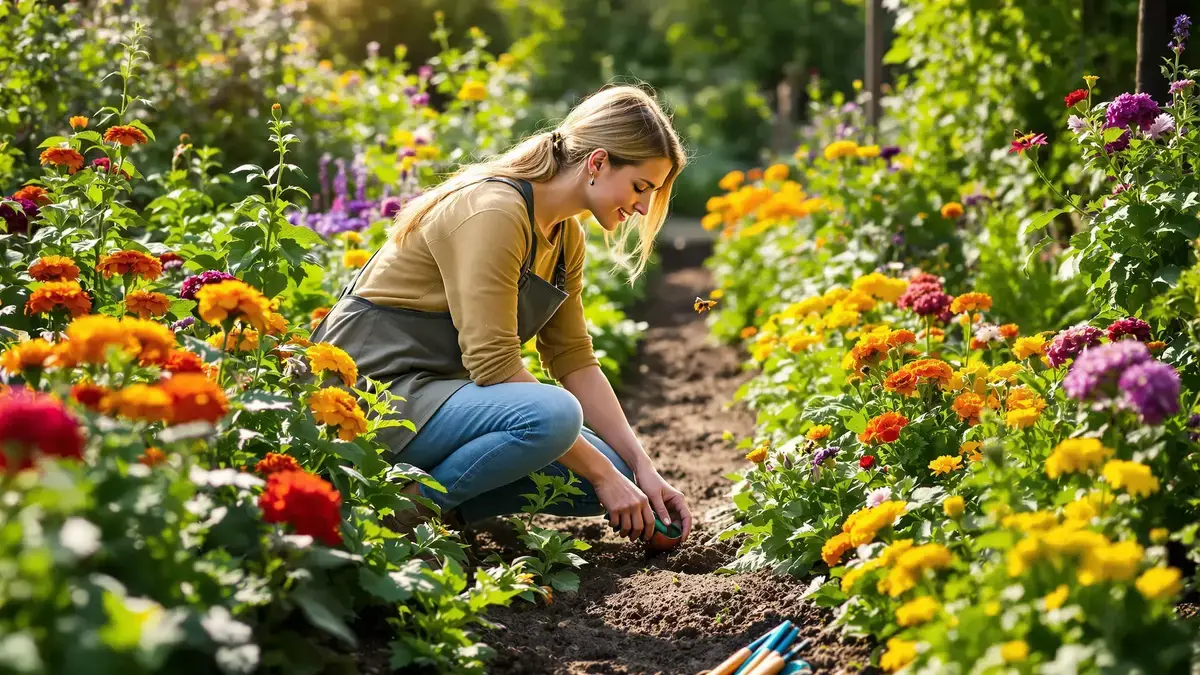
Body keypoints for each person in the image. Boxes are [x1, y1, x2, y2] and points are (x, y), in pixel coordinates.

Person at [310, 85, 693, 544]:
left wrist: (642, 471)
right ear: (597, 162)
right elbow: (493, 366)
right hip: (371, 397)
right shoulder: (495, 210)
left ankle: (439, 505)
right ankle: (404, 514)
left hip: (435, 398)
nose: (643, 207)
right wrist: (605, 477)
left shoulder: (565, 236)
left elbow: (573, 356)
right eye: (640, 187)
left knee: (611, 472)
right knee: (559, 423)